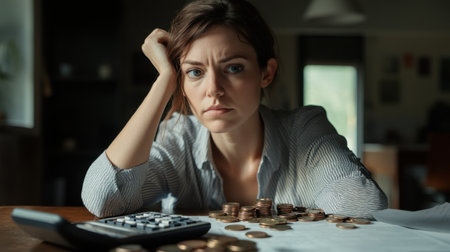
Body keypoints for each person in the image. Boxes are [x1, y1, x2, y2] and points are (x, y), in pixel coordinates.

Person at [81, 0, 387, 218]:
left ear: (266, 73)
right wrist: (165, 81)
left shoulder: (304, 129)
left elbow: (364, 209)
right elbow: (104, 199)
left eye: (234, 68)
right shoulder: (178, 138)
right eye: (195, 72)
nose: (213, 89)